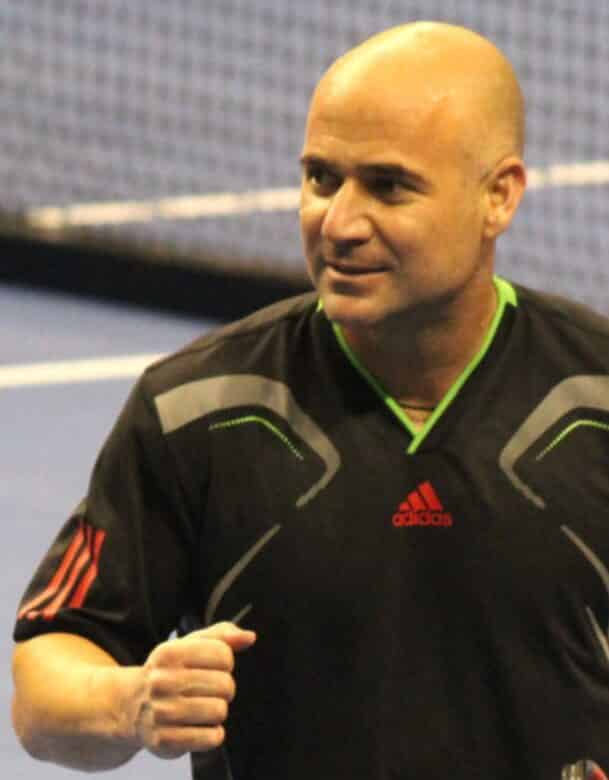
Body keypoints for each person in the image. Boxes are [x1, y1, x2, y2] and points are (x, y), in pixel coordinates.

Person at [11, 20, 609, 780]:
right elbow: (46, 681)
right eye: (322, 178)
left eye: (388, 187)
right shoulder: (199, 410)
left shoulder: (593, 400)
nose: (339, 223)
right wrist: (129, 701)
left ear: (498, 196)